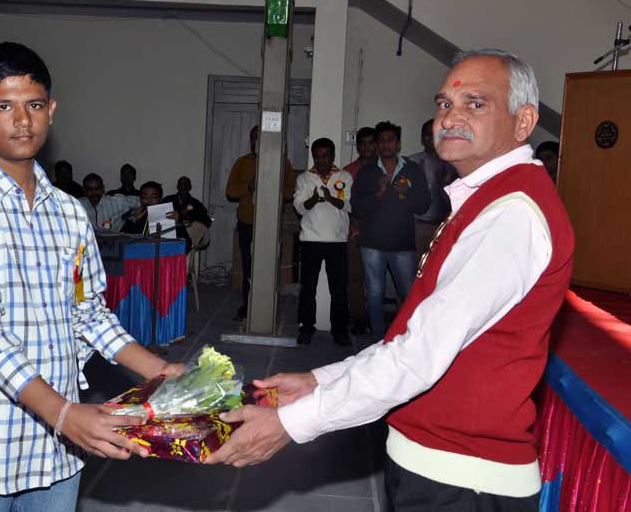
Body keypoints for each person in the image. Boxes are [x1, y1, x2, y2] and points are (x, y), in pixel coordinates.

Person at [206, 48, 575, 512]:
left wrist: (293, 423)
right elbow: (412, 336)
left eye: (475, 103)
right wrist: (320, 380)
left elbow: (419, 354)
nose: (450, 118)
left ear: (524, 121)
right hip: (441, 465)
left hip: (464, 479)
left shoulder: (512, 214)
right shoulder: (488, 201)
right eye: (444, 104)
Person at [0, 42, 182, 510]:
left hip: (56, 453)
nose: (23, 120)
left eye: (35, 105)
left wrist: (160, 371)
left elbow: (88, 313)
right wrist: (63, 414)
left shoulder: (69, 212)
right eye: (4, 106)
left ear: (52, 110)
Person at [351, 121, 431, 340]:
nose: (387, 144)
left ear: (398, 144)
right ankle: (378, 341)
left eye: (391, 140)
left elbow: (423, 206)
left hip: (402, 245)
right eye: (382, 140)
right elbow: (356, 208)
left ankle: (407, 341)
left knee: (408, 294)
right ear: (377, 145)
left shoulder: (412, 169)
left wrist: (408, 191)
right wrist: (378, 193)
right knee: (374, 294)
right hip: (372, 244)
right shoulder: (367, 172)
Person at [225, 126, 296, 321]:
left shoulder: (283, 163)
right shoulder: (243, 162)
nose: (257, 141)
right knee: (248, 266)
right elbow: (230, 191)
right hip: (247, 222)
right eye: (254, 138)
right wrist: (249, 187)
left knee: (268, 265)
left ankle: (267, 306)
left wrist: (272, 186)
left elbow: (291, 192)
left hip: (271, 223)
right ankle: (247, 305)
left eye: (261, 137)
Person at [293, 138, 353, 346]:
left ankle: (339, 330)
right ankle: (306, 328)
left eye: (325, 156)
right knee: (308, 287)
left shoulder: (344, 176)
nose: (321, 160)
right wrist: (313, 200)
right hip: (311, 240)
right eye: (317, 156)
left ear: (333, 156)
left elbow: (348, 205)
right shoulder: (304, 178)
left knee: (339, 288)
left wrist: (329, 198)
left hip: (337, 241)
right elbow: (299, 208)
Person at [343, 127, 377, 334]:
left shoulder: (384, 168)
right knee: (354, 279)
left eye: (370, 143)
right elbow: (343, 204)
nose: (366, 147)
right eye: (362, 143)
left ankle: (376, 319)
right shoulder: (348, 171)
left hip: (378, 233)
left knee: (375, 281)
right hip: (353, 231)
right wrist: (351, 227)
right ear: (357, 146)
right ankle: (358, 318)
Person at [407, 119, 458, 255]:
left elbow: (454, 200)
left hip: (443, 226)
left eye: (434, 133)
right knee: (416, 265)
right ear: (421, 138)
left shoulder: (452, 163)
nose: (430, 137)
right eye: (426, 134)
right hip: (416, 226)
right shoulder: (411, 162)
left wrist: (444, 181)